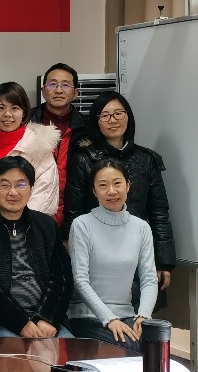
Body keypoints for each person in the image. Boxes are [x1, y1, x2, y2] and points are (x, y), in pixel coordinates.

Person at [64, 91, 174, 299]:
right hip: (98, 254)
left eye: (118, 113)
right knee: (100, 311)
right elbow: (73, 212)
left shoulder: (146, 159)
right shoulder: (83, 159)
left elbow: (159, 212)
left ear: (128, 117)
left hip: (139, 252)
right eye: (105, 115)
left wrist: (163, 261)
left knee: (140, 311)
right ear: (96, 121)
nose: (112, 120)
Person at [0, 157, 73, 338]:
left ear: (31, 188)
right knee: (15, 356)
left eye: (21, 185)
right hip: (3, 322)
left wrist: (48, 318)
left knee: (71, 355)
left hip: (47, 322)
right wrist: (21, 324)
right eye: (5, 185)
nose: (13, 192)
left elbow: (62, 277)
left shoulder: (45, 225)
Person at [66, 159, 157, 351]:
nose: (111, 191)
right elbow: (80, 281)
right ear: (94, 191)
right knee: (128, 346)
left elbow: (149, 279)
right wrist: (109, 319)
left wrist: (143, 316)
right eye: (103, 185)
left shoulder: (141, 227)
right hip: (87, 316)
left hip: (127, 314)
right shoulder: (82, 225)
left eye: (117, 183)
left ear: (128, 185)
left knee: (154, 342)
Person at [0, 82, 61, 216]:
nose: (7, 114)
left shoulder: (39, 146)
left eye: (14, 108)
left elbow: (44, 196)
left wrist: (15, 221)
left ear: (23, 112)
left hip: (26, 224)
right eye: (1, 108)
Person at [31, 63, 84, 225]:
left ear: (75, 93)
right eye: (52, 84)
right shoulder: (26, 123)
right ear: (43, 91)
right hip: (34, 210)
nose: (58, 90)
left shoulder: (87, 128)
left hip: (76, 212)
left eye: (65, 85)